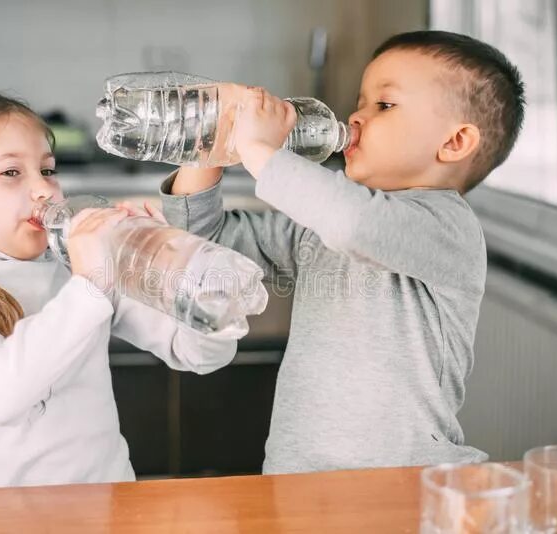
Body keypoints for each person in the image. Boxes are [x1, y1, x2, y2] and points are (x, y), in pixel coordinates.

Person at [159, 30, 526, 473]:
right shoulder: (320, 219)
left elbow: (355, 223)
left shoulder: (448, 226)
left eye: (384, 105)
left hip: (406, 480)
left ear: (454, 142)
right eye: (360, 101)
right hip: (299, 476)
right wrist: (209, 149)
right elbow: (203, 246)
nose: (355, 117)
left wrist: (258, 149)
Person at [0, 93, 240, 488]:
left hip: (106, 514)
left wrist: (174, 270)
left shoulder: (76, 272)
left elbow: (200, 352)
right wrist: (89, 285)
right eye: (11, 173)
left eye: (48, 170)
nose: (44, 190)